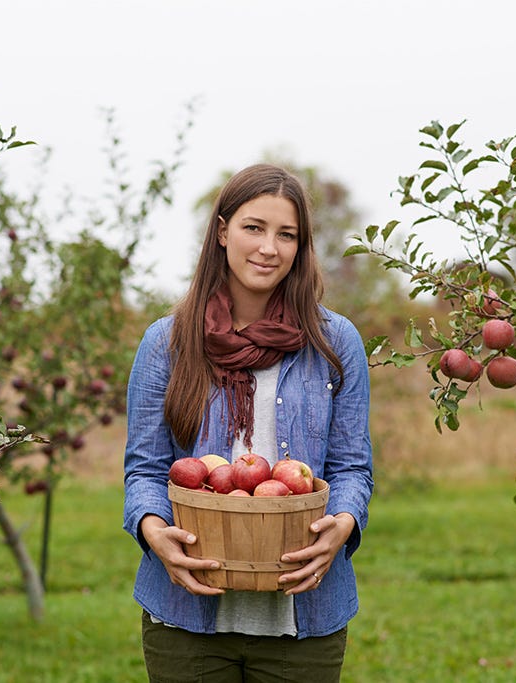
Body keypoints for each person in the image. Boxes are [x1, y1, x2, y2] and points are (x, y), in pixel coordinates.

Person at [122, 163, 374, 682]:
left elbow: (352, 469)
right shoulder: (167, 343)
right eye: (253, 228)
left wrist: (342, 528)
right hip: (186, 618)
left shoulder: (334, 342)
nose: (268, 248)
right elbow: (145, 470)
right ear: (221, 232)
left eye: (287, 235)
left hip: (303, 618)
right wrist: (154, 533)